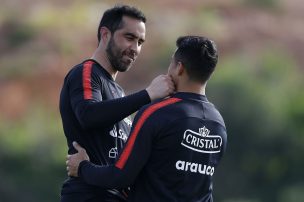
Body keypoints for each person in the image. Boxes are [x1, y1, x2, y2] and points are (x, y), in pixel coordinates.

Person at [66, 36, 228, 202]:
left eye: (171, 64)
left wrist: (83, 167)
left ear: (179, 68)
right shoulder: (218, 123)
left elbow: (120, 177)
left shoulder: (156, 113)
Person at [59, 5, 175, 202]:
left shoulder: (118, 91)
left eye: (140, 42)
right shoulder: (87, 72)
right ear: (105, 34)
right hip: (87, 195)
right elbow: (88, 114)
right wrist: (148, 94)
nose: (135, 49)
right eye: (129, 38)